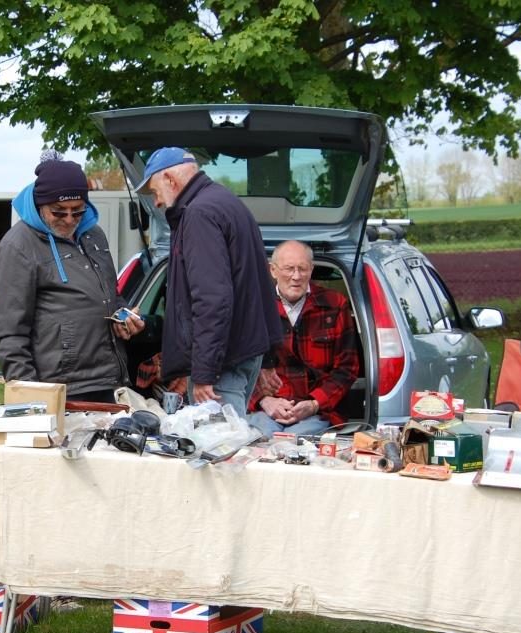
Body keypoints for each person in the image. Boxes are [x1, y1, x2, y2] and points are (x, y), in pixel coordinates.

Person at [136, 147, 281, 418]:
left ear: (170, 179)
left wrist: (204, 372)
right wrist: (268, 356)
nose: (156, 202)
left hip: (221, 365)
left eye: (155, 192)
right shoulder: (229, 203)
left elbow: (212, 299)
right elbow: (261, 287)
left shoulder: (198, 214)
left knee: (219, 451)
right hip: (242, 353)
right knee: (232, 443)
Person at [0, 154, 144, 403]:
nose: (69, 220)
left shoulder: (94, 235)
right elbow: (8, 333)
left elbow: (109, 296)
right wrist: (31, 399)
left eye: (77, 211)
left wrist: (123, 315)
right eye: (59, 212)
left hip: (110, 379)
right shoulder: (17, 246)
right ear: (40, 204)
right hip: (59, 389)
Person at [247, 240, 360, 435]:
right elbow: (238, 366)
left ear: (312, 270)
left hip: (318, 410)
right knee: (263, 440)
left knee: (296, 442)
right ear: (273, 270)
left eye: (303, 269)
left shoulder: (335, 304)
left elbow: (347, 368)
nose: (296, 276)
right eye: (289, 269)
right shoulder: (253, 307)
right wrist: (263, 400)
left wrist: (315, 403)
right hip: (266, 407)